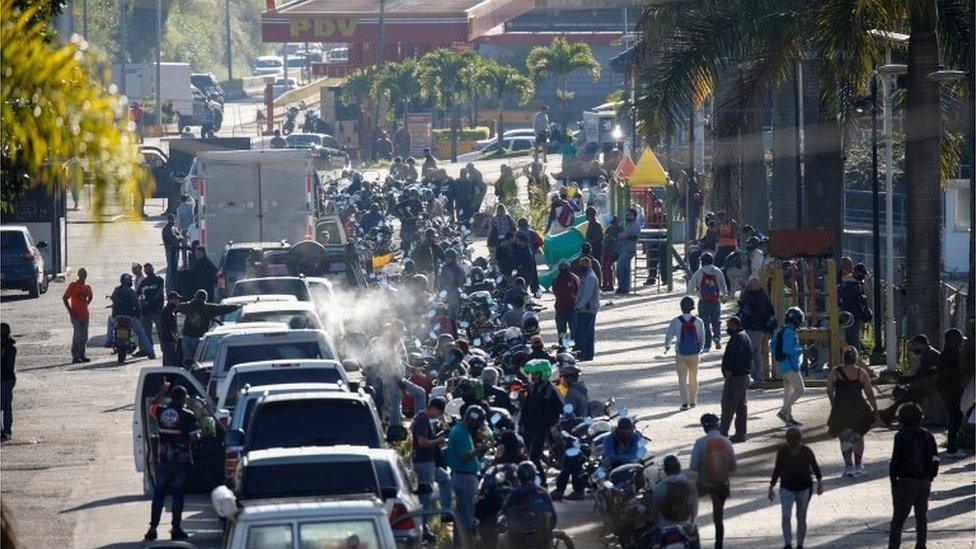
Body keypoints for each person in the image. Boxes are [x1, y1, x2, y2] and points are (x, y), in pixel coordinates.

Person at [145, 383, 200, 541]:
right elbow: (194, 438)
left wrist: (162, 391)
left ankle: (153, 528)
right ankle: (175, 529)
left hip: (163, 460)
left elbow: (151, 406)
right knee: (177, 495)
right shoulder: (188, 415)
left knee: (159, 495)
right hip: (180, 462)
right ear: (183, 398)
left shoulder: (161, 412)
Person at [888, 403, 939, 549]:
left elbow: (895, 460)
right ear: (920, 418)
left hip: (904, 481)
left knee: (898, 519)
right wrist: (931, 476)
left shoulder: (901, 435)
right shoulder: (929, 435)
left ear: (901, 419)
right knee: (921, 517)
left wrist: (893, 480)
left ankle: (894, 546)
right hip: (923, 482)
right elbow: (935, 458)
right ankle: (921, 545)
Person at [826, 346, 880, 476]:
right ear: (856, 358)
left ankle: (848, 467)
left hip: (841, 409)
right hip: (859, 409)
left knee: (844, 438)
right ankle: (858, 464)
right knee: (858, 437)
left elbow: (829, 389)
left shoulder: (835, 372)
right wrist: (875, 410)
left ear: (843, 358)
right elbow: (869, 393)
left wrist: (833, 403)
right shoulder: (861, 373)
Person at [769, 427, 823, 549]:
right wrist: (771, 486)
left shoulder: (806, 451)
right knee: (787, 516)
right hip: (787, 488)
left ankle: (799, 544)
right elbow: (777, 470)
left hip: (804, 488)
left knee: (800, 516)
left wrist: (819, 482)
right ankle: (788, 543)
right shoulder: (783, 452)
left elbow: (815, 467)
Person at [689, 413, 736, 549]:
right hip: (721, 485)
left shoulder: (700, 443)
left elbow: (693, 466)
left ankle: (690, 539)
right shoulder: (726, 442)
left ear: (704, 428)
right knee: (718, 517)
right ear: (718, 425)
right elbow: (733, 466)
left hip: (703, 484)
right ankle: (718, 545)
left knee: (689, 508)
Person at [411, 397, 452, 543]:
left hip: (428, 462)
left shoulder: (421, 418)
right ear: (433, 408)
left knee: (445, 479)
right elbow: (422, 442)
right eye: (439, 412)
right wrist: (438, 441)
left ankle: (445, 512)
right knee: (425, 497)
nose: (438, 415)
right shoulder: (422, 419)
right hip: (424, 462)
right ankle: (423, 530)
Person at [446, 405, 488, 540]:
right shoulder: (461, 433)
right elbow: (464, 456)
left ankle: (460, 543)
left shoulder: (462, 430)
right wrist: (480, 448)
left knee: (461, 515)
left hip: (462, 476)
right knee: (467, 516)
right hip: (464, 478)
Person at [879, 335, 942, 425]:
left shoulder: (929, 355)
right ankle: (889, 414)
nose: (914, 347)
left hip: (932, 385)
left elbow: (920, 375)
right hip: (928, 383)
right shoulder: (928, 352)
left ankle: (890, 415)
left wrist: (904, 380)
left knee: (906, 396)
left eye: (915, 345)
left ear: (921, 344)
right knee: (903, 394)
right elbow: (922, 374)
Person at [519, 359, 562, 487]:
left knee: (534, 457)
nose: (533, 376)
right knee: (525, 456)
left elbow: (559, 409)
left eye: (535, 374)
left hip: (541, 429)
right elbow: (525, 408)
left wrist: (550, 423)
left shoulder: (551, 390)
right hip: (528, 428)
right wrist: (521, 424)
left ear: (543, 373)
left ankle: (542, 483)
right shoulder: (532, 388)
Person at [503, 461, 557, 548]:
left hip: (519, 537)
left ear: (519, 477)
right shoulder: (543, 492)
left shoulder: (515, 492)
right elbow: (553, 515)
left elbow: (505, 510)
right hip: (541, 535)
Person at [664, 296, 705, 410]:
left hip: (681, 353)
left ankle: (684, 402)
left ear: (681, 307)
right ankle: (693, 401)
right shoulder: (698, 321)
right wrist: (699, 349)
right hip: (694, 354)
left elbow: (669, 336)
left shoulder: (676, 321)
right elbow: (702, 338)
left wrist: (667, 346)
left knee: (682, 379)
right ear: (693, 307)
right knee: (693, 378)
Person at [651, 454, 699, 547]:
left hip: (665, 527)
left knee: (654, 543)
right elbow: (694, 508)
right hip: (685, 525)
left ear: (665, 470)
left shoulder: (660, 487)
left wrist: (658, 524)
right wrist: (691, 521)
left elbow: (655, 511)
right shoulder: (689, 484)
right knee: (694, 540)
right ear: (679, 467)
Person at [176, 290, 240, 361]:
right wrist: (237, 306)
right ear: (205, 299)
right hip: (200, 339)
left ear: (195, 297)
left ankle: (186, 371)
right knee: (198, 360)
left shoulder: (188, 306)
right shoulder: (209, 308)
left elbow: (176, 307)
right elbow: (224, 308)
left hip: (187, 338)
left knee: (187, 360)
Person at [738, 277, 775, 387]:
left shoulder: (760, 297)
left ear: (758, 285)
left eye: (752, 284)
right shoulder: (751, 294)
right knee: (756, 354)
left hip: (756, 329)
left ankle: (756, 377)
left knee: (747, 353)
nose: (751, 286)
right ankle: (759, 378)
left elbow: (759, 313)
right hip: (752, 328)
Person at [107, 273, 154, 358]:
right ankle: (151, 353)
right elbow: (137, 305)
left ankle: (109, 340)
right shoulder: (130, 292)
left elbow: (113, 300)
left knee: (109, 322)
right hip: (129, 317)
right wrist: (138, 314)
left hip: (116, 317)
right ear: (127, 281)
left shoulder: (116, 291)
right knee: (141, 333)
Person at [936, 329, 968, 458]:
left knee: (955, 417)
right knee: (956, 417)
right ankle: (952, 448)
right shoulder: (954, 355)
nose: (961, 342)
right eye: (959, 340)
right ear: (954, 341)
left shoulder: (945, 354)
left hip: (947, 390)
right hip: (953, 390)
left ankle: (952, 446)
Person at [687, 252, 728, 351]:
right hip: (715, 300)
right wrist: (724, 296)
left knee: (704, 323)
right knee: (716, 320)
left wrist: (699, 293)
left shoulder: (699, 272)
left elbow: (689, 290)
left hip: (703, 301)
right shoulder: (717, 271)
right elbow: (723, 286)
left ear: (702, 261)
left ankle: (707, 345)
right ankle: (717, 336)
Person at [720, 317, 752, 441]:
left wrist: (729, 371)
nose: (727, 328)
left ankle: (723, 432)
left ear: (734, 325)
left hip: (736, 377)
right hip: (743, 376)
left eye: (729, 325)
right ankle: (741, 433)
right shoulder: (744, 336)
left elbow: (734, 357)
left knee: (728, 405)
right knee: (740, 406)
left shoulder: (737, 338)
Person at [774, 307, 805, 426]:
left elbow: (773, 344)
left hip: (784, 365)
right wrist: (800, 350)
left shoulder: (782, 330)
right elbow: (787, 349)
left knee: (788, 392)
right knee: (800, 390)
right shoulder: (789, 332)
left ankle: (788, 418)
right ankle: (783, 412)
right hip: (790, 366)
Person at [62, 268, 93, 363]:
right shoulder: (73, 285)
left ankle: (82, 354)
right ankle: (75, 356)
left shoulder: (87, 286)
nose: (84, 276)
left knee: (84, 336)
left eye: (85, 274)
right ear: (79, 275)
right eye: (82, 274)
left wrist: (86, 304)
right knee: (77, 335)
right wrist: (70, 310)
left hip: (85, 314)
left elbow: (91, 297)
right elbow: (65, 298)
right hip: (75, 314)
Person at [574, 257, 600, 361]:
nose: (581, 267)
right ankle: (589, 353)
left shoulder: (590, 278)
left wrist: (579, 306)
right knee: (589, 332)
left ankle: (583, 353)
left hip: (587, 309)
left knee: (583, 332)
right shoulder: (586, 276)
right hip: (588, 308)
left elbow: (587, 295)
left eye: (583, 265)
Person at [552, 260, 579, 343]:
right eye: (561, 268)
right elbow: (555, 291)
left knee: (574, 329)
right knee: (562, 331)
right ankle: (564, 347)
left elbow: (578, 291)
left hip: (571, 307)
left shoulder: (573, 278)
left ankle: (577, 345)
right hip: (561, 308)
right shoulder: (556, 279)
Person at [615, 208, 641, 295]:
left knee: (621, 267)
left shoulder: (634, 225)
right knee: (623, 269)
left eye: (628, 215)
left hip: (629, 249)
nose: (627, 217)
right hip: (624, 249)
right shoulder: (629, 224)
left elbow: (625, 235)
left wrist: (619, 235)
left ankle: (623, 287)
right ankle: (623, 287)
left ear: (633, 216)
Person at [138, 263, 165, 347]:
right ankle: (149, 351)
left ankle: (164, 349)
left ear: (153, 269)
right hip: (147, 311)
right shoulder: (143, 283)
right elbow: (139, 295)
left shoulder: (159, 280)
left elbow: (159, 293)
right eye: (146, 269)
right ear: (145, 271)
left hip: (157, 310)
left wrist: (151, 301)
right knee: (146, 333)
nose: (148, 270)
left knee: (161, 333)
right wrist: (143, 302)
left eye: (149, 268)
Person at [159, 292, 182, 367]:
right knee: (168, 363)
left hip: (170, 341)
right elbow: (167, 328)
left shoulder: (171, 311)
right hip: (167, 341)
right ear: (170, 300)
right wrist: (174, 337)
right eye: (176, 299)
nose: (178, 301)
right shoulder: (167, 311)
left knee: (173, 362)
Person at [1, 323, 15, 441]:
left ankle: (6, 431)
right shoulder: (9, 346)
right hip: (7, 379)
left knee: (6, 406)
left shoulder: (9, 347)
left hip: (5, 379)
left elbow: (8, 367)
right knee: (6, 406)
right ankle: (5, 431)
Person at [162, 214, 181, 291]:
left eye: (173, 219)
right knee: (170, 267)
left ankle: (174, 283)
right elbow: (173, 239)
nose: (172, 221)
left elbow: (180, 236)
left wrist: (177, 237)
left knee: (175, 267)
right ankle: (169, 285)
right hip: (170, 250)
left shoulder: (174, 228)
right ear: (168, 220)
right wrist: (177, 238)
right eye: (171, 220)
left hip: (175, 250)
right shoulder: (166, 229)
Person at [601, 215, 621, 292]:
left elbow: (605, 240)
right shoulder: (620, 229)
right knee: (606, 266)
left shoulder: (610, 229)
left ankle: (608, 284)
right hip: (611, 250)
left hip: (611, 251)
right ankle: (607, 283)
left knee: (606, 266)